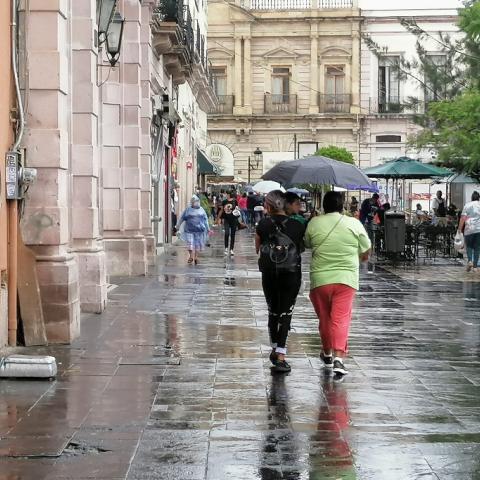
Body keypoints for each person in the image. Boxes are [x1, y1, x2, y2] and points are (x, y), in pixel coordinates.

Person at [305, 191, 371, 380]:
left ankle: (326, 352)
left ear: (324, 205)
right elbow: (366, 249)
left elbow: (307, 243)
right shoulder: (353, 223)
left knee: (325, 318)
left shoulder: (315, 222)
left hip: (320, 279)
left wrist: (313, 221)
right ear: (342, 206)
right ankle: (339, 357)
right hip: (346, 279)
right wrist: (361, 257)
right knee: (340, 319)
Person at [256, 190, 306, 373]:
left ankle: (274, 345)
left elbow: (257, 248)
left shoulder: (262, 224)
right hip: (291, 273)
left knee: (273, 310)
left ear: (268, 206)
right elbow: (302, 248)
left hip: (269, 273)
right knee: (286, 312)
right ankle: (281, 354)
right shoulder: (298, 225)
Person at [177, 195, 210, 265]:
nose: (195, 203)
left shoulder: (201, 209)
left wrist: (208, 228)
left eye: (196, 201)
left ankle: (196, 257)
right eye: (194, 202)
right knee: (190, 242)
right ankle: (191, 256)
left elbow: (205, 219)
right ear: (191, 202)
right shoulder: (188, 210)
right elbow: (182, 218)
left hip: (199, 230)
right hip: (189, 230)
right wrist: (178, 226)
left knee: (197, 244)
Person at [458, 191, 480, 273]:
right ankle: (475, 267)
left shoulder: (467, 205)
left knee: (469, 246)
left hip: (469, 229)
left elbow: (463, 218)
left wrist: (459, 229)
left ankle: (470, 261)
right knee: (477, 248)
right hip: (479, 229)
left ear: (472, 198)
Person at [217, 191, 239, 256]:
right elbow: (221, 210)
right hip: (226, 219)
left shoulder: (235, 201)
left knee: (233, 234)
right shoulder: (224, 201)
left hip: (234, 219)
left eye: (227, 194)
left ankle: (231, 249)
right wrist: (219, 218)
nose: (226, 195)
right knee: (226, 233)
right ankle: (226, 248)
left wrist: (237, 210)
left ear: (229, 194)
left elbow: (237, 209)